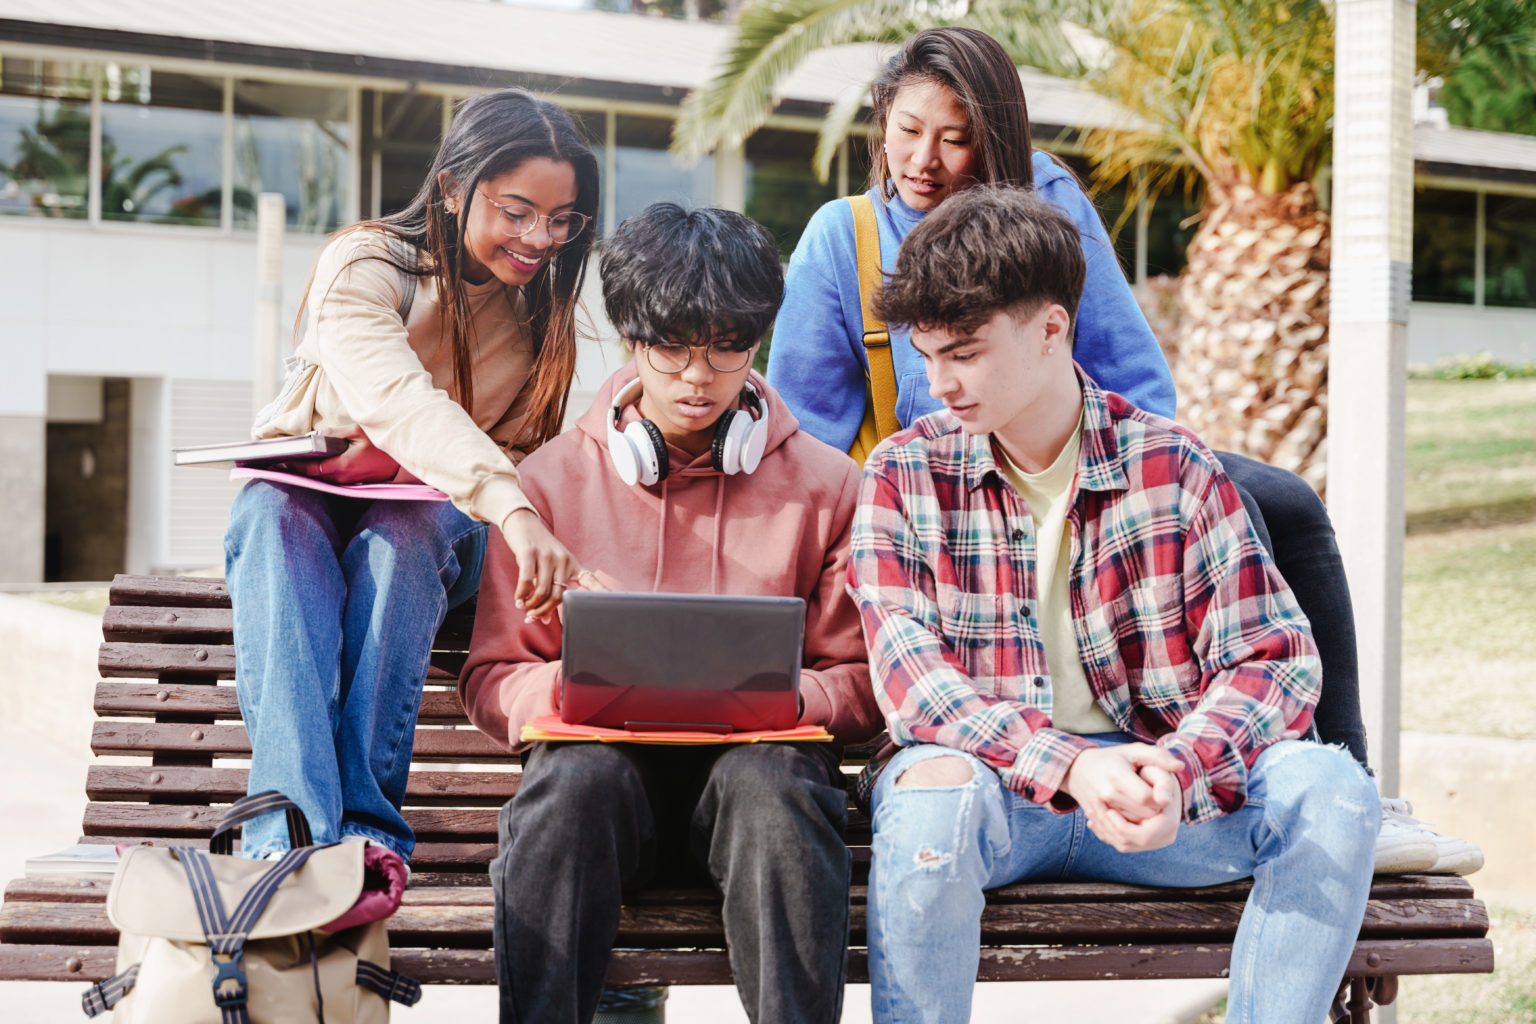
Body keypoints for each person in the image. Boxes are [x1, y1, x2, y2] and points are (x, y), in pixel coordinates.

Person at [769, 25, 1477, 875]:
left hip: (1082, 447)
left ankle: (1348, 776)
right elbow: (806, 431)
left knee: (1278, 499)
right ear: (880, 122)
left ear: (996, 138)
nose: (925, 158)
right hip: (935, 491)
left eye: (956, 139)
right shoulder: (843, 239)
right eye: (908, 129)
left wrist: (1125, 471)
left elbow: (1133, 372)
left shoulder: (1048, 199)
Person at [849, 183, 1379, 1024]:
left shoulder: (1173, 465)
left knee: (1332, 790)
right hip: (995, 799)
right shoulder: (905, 471)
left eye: (965, 353)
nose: (938, 381)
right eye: (928, 354)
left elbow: (1273, 658)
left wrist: (1179, 768)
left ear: (1052, 329)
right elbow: (913, 682)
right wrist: (1070, 765)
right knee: (929, 795)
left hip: (1165, 802)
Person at [458, 203, 883, 1024]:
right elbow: (491, 675)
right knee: (572, 783)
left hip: (760, 793)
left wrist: (801, 700)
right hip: (603, 793)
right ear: (628, 339)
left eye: (728, 347)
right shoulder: (544, 486)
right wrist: (561, 690)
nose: (699, 377)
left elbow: (863, 680)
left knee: (774, 783)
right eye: (673, 348)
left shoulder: (830, 486)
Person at [224, 88, 600, 863]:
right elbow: (398, 399)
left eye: (563, 220)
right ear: (455, 188)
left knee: (406, 533)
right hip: (312, 502)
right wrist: (513, 508)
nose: (542, 238)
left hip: (432, 529)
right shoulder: (364, 264)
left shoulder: (540, 310)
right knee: (269, 517)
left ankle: (363, 836)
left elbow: (528, 448)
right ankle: (287, 840)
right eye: (519, 211)